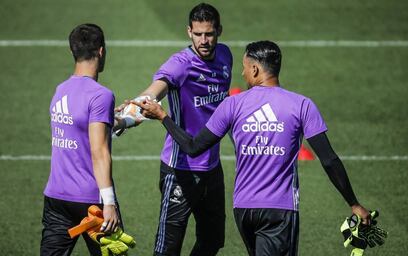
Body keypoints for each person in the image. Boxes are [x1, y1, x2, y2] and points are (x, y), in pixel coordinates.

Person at [138, 40, 371, 256]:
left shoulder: (232, 104)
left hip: (244, 210)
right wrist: (354, 203)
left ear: (256, 70)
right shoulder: (302, 105)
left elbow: (192, 146)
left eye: (245, 67)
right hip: (280, 210)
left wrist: (163, 117)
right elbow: (329, 159)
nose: (242, 73)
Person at [117, 3, 232, 255]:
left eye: (209, 34)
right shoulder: (180, 64)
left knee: (212, 241)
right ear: (188, 31)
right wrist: (126, 116)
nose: (204, 40)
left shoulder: (225, 56)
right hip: (179, 169)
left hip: (212, 168)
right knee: (167, 249)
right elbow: (154, 91)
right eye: (198, 34)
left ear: (219, 31)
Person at [41, 23, 122, 255]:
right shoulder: (101, 95)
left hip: (56, 198)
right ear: (101, 51)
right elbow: (99, 151)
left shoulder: (60, 91)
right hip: (91, 202)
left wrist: (122, 122)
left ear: (72, 51)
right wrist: (109, 203)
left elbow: (78, 129)